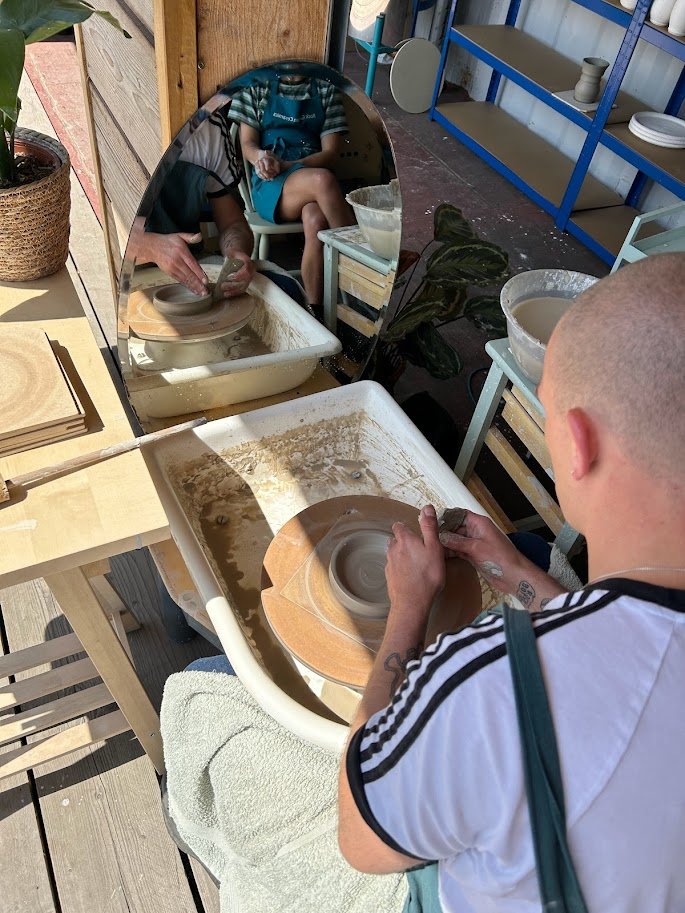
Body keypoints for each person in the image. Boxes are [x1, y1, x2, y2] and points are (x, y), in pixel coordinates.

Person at [338, 253, 685, 912]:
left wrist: (407, 611)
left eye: (546, 407)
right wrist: (517, 574)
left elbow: (358, 839)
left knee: (210, 669)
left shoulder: (486, 681)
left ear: (575, 443)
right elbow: (634, 657)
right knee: (527, 545)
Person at [229, 71, 355, 312]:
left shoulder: (325, 89)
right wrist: (262, 159)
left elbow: (330, 154)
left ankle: (315, 310)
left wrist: (293, 165)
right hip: (272, 181)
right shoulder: (256, 86)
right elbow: (247, 144)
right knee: (324, 181)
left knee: (316, 220)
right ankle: (361, 262)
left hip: (309, 169)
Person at [128, 108, 256, 299]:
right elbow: (92, 231)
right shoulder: (118, 117)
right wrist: (151, 247)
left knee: (277, 286)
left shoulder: (209, 128)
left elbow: (233, 224)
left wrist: (236, 252)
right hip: (124, 266)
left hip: (191, 263)